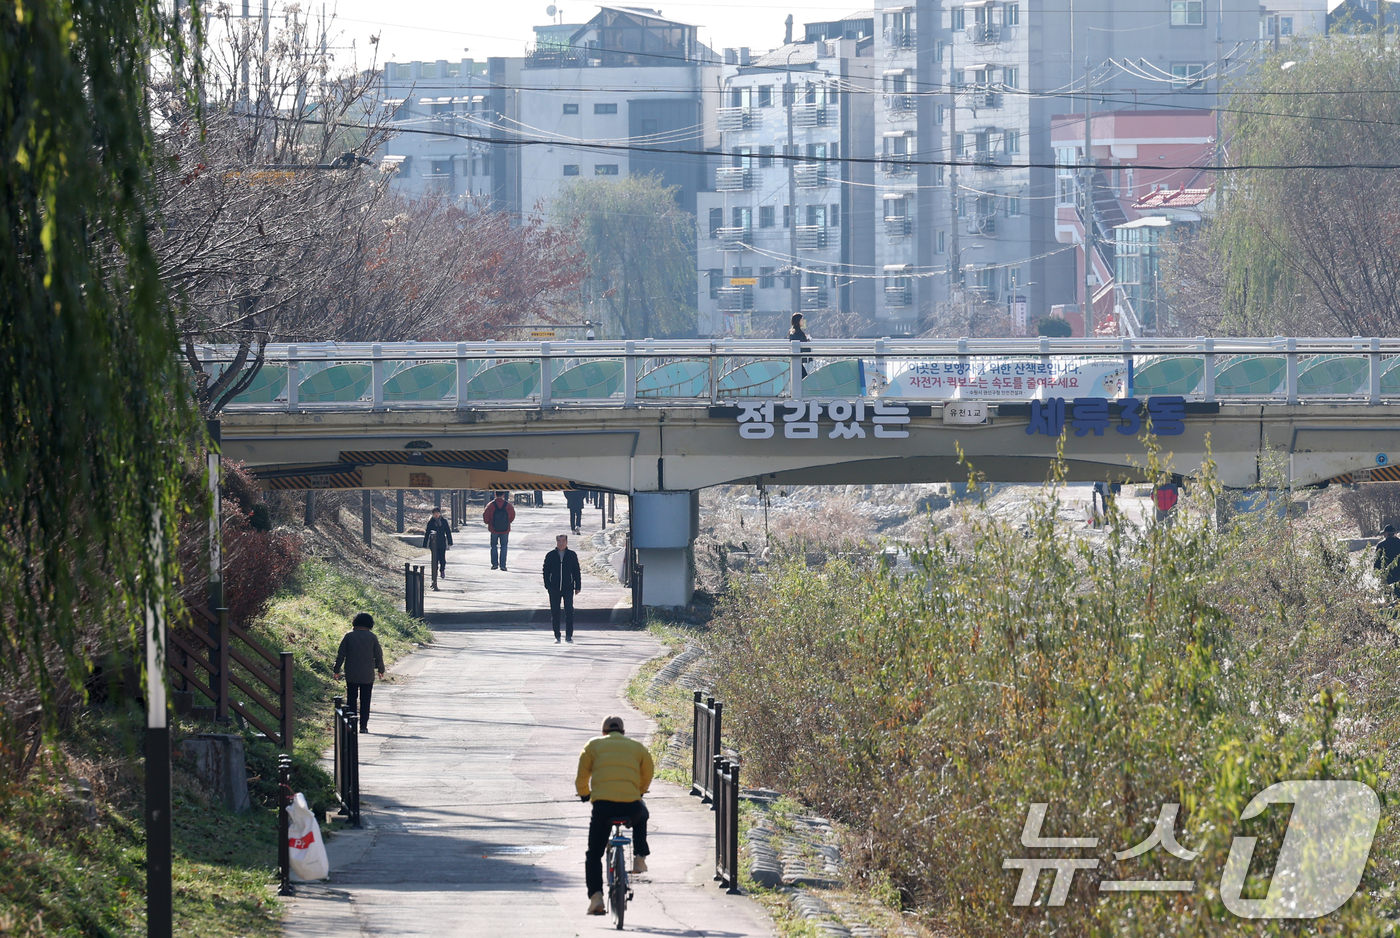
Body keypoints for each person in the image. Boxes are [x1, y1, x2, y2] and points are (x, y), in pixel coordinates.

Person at [576, 715, 653, 916]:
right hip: (630, 805)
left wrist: (585, 794)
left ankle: (596, 898)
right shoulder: (637, 747)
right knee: (642, 815)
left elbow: (582, 775)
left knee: (594, 854)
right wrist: (640, 791)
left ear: (604, 732)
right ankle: (639, 856)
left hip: (603, 807)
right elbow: (648, 772)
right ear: (623, 732)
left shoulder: (593, 745)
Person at [333, 613, 385, 733]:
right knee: (365, 700)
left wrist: (337, 670)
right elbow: (378, 656)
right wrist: (381, 670)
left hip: (351, 673)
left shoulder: (349, 636)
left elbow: (341, 655)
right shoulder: (372, 637)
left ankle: (351, 724)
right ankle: (363, 726)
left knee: (351, 698)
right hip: (367, 674)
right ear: (370, 624)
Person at [544, 534, 582, 642]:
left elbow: (576, 571)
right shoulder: (550, 555)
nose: (561, 543)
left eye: (563, 541)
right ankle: (557, 635)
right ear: (556, 542)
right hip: (554, 588)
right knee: (555, 612)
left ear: (567, 542)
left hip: (568, 587)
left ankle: (569, 635)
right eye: (559, 541)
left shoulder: (571, 555)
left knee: (569, 610)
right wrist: (548, 585)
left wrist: (577, 586)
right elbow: (546, 571)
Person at [483, 491, 516, 571]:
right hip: (505, 529)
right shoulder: (508, 505)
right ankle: (503, 565)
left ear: (495, 495)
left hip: (493, 529)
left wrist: (489, 523)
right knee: (504, 546)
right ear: (504, 495)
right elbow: (512, 516)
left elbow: (486, 516)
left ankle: (494, 564)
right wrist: (507, 523)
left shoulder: (490, 505)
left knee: (493, 546)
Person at [422, 506, 453, 579]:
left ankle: (442, 570)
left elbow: (448, 532)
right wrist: (425, 544)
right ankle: (434, 572)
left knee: (442, 558)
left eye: (437, 513)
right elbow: (427, 533)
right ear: (433, 514)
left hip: (442, 543)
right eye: (435, 513)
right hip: (433, 544)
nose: (436, 514)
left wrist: (450, 542)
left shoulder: (444, 521)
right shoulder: (430, 522)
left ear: (440, 513)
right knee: (435, 559)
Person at [1376, 524, 1400, 599]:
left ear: (1386, 533)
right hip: (1398, 572)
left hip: (1387, 573)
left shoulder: (1381, 545)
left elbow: (1378, 560)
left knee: (1388, 594)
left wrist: (1376, 570)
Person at [788, 311, 812, 377]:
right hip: (797, 357)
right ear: (798, 321)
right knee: (804, 377)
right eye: (802, 320)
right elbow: (801, 342)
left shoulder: (793, 331)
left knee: (800, 376)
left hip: (796, 357)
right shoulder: (796, 332)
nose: (803, 322)